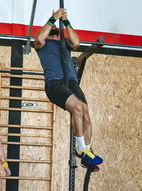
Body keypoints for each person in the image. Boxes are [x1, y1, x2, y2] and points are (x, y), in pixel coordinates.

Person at [34, 8, 103, 171]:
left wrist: (65, 21)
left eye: (56, 29)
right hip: (55, 83)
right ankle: (81, 149)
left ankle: (86, 153)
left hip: (71, 82)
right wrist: (52, 18)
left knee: (85, 115)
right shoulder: (42, 45)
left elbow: (77, 43)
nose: (55, 30)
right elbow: (38, 38)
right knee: (78, 108)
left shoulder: (64, 43)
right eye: (53, 28)